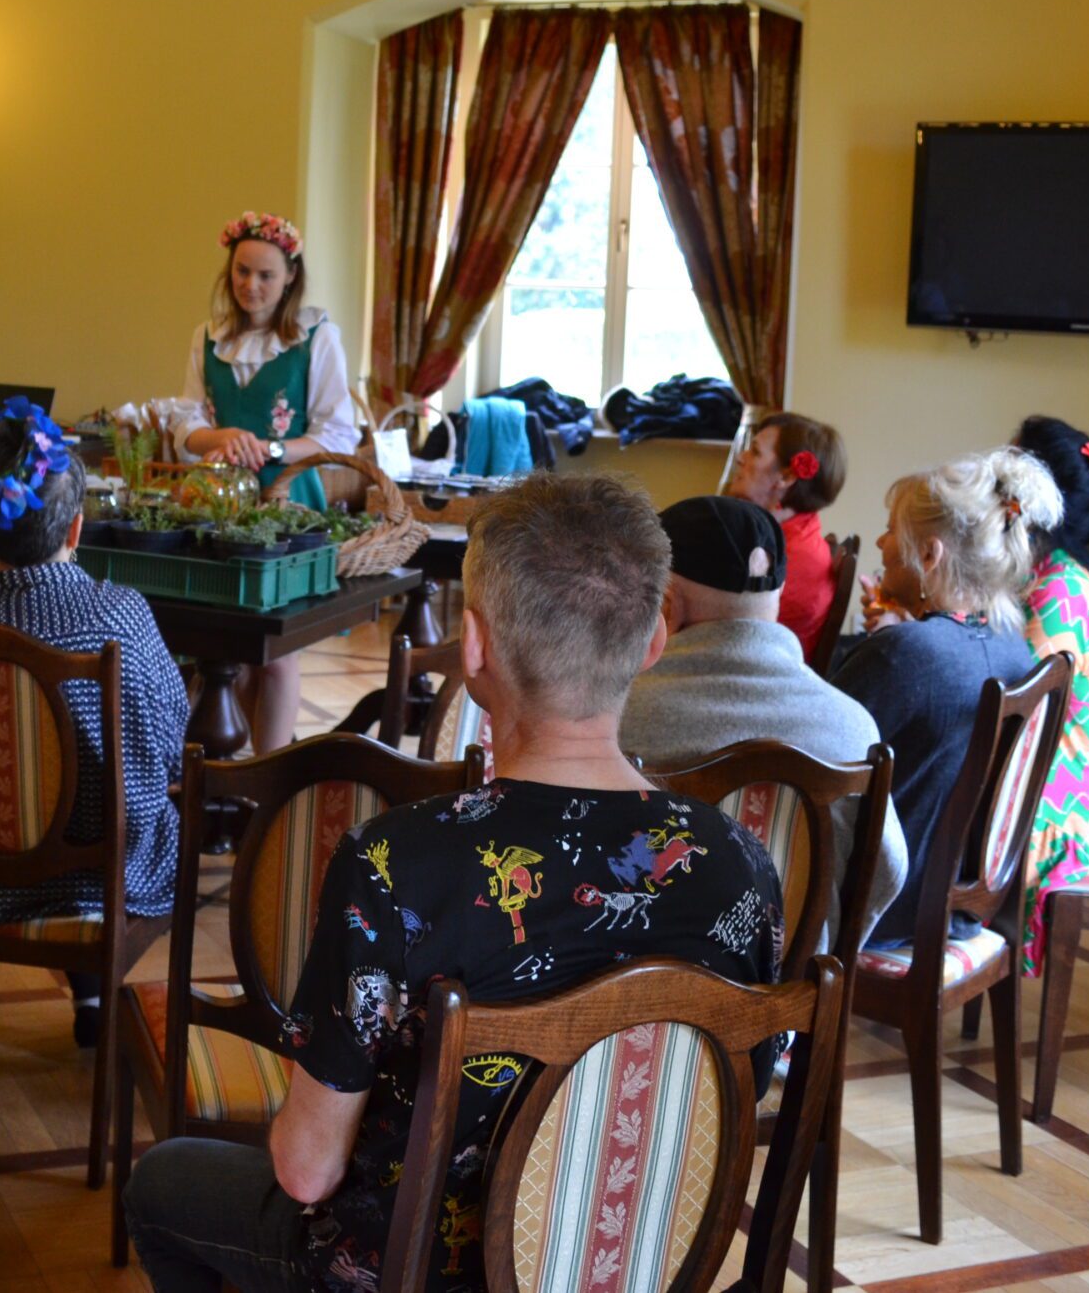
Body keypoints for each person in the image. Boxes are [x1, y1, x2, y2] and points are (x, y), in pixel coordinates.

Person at [123, 473, 782, 1293]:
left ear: (472, 646)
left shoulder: (395, 862)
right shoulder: (740, 864)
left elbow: (305, 1170)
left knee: (161, 1184)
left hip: (410, 1277)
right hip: (643, 1270)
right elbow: (735, 1095)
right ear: (655, 640)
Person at [0, 400, 188, 1045]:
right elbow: (169, 744)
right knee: (125, 795)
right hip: (98, 879)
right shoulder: (119, 614)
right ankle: (98, 1000)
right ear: (77, 527)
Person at [622, 494, 908, 936]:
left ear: (668, 605)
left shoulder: (614, 714)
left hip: (635, 975)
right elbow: (887, 874)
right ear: (777, 596)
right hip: (799, 976)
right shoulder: (853, 728)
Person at [833, 448, 1057, 950]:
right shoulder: (1012, 644)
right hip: (954, 904)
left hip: (880, 906)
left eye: (891, 530)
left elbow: (816, 748)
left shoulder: (904, 655)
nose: (881, 543)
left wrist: (891, 640)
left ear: (930, 555)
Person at [172, 211, 357, 753]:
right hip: (217, 504)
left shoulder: (316, 338)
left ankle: (266, 778)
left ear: (291, 277)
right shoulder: (207, 338)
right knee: (224, 649)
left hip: (289, 504)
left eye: (266, 275)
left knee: (276, 653)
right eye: (242, 272)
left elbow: (338, 434)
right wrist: (223, 437)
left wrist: (270, 449)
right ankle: (217, 771)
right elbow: (185, 425)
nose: (251, 285)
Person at [1009, 416, 1089, 972]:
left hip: (1056, 818)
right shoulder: (1054, 574)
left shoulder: (1060, 590)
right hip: (1053, 789)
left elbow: (1015, 706)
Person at [722, 410, 849, 652]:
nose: (740, 458)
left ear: (787, 476)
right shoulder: (782, 536)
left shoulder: (793, 559)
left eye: (755, 452)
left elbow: (729, 634)